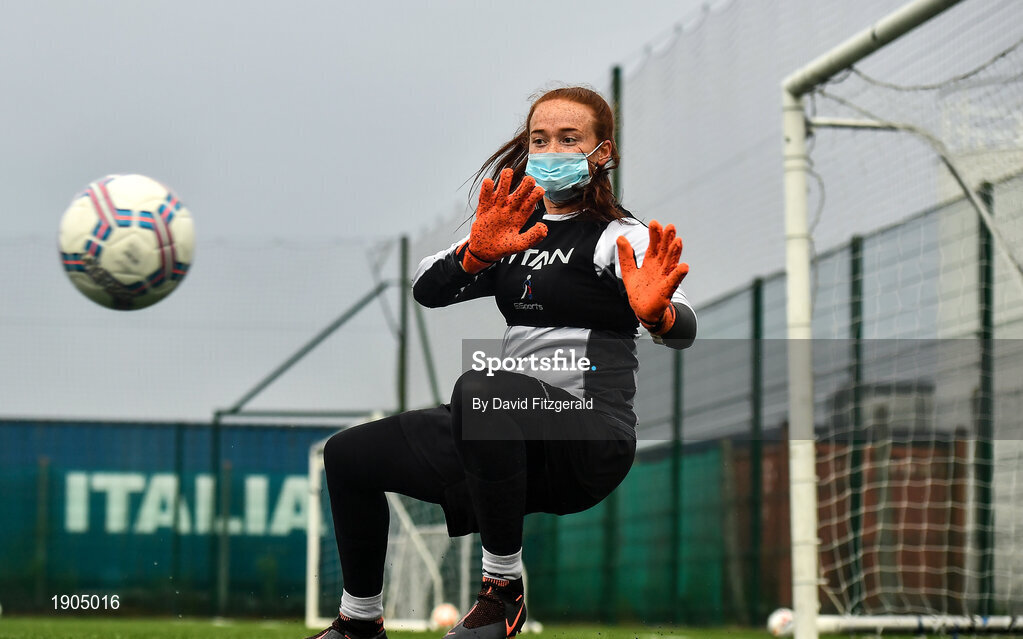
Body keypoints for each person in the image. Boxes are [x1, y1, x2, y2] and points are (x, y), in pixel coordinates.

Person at [308, 86, 697, 639]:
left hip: (589, 437)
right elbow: (425, 288)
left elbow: (683, 325)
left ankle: (502, 593)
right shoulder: (514, 226)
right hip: (501, 427)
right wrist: (477, 254)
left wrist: (658, 316)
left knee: (482, 390)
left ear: (603, 152)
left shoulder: (619, 237)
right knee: (348, 456)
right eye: (541, 140)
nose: (551, 151)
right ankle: (359, 623)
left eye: (569, 139)